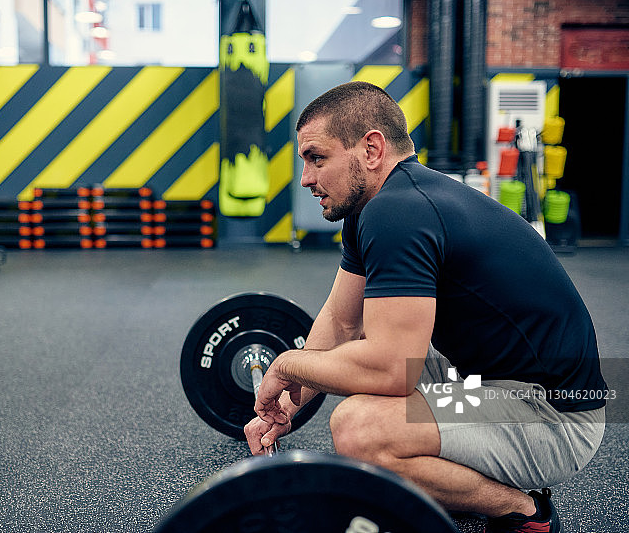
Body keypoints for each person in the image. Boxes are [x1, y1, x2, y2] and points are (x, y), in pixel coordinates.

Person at [244, 81, 607, 533]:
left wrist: (286, 365)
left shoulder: (399, 212)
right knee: (361, 373)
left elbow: (390, 370)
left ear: (372, 149)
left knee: (359, 428)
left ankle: (522, 509)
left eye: (317, 158)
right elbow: (341, 322)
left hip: (554, 416)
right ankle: (451, 480)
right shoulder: (379, 205)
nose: (306, 178)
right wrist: (284, 406)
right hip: (490, 382)